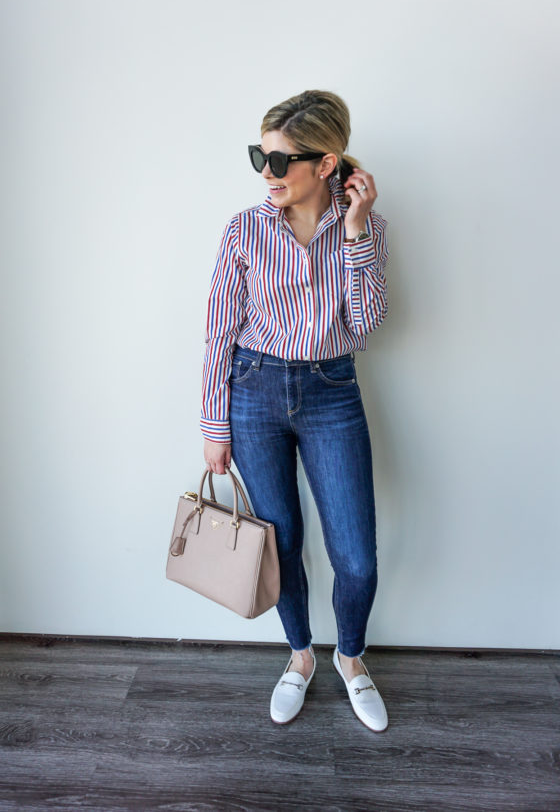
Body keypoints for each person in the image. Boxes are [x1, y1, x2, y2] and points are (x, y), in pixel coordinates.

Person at [200, 90, 389, 732]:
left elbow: (363, 329)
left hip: (332, 390)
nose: (266, 173)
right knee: (279, 545)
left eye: (280, 161)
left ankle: (353, 658)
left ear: (326, 163)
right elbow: (218, 333)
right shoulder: (242, 230)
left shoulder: (367, 228)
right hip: (253, 391)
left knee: (356, 556)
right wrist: (213, 426)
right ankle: (302, 655)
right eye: (260, 156)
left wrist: (359, 233)